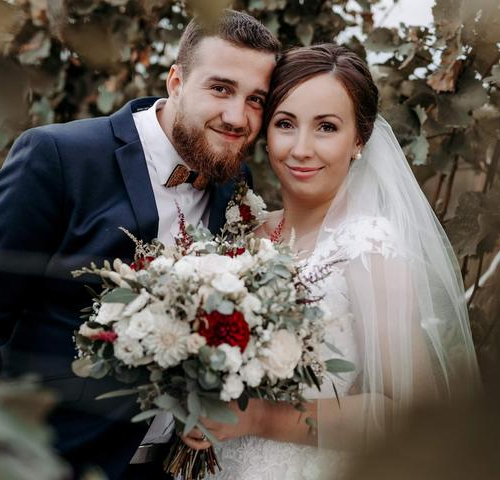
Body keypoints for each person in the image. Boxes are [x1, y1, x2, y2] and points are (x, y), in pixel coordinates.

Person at [0, 10, 279, 479]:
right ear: (176, 82)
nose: (237, 116)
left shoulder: (233, 182)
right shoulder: (59, 157)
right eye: (221, 88)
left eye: (255, 99)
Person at [180, 44, 481, 479]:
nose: (301, 149)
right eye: (286, 124)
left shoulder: (368, 247)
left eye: (326, 127)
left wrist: (260, 418)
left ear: (359, 139)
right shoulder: (242, 232)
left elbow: (409, 414)